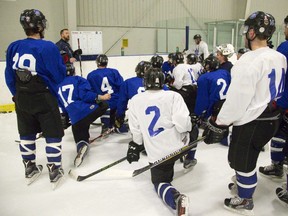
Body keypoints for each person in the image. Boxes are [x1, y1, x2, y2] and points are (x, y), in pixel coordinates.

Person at [202, 11, 287, 215]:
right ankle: (244, 185)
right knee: (252, 153)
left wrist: (219, 123)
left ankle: (245, 199)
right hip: (272, 118)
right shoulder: (279, 57)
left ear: (251, 33)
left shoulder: (248, 61)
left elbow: (237, 101)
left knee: (242, 160)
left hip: (252, 121)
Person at [5, 9, 67, 189]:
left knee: (26, 132)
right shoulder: (48, 47)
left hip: (22, 97)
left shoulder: (14, 46)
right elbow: (58, 75)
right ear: (40, 26)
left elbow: (9, 74)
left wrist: (17, 94)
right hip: (44, 96)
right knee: (53, 133)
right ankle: (54, 168)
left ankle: (30, 167)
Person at [126, 67, 193, 216]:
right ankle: (190, 158)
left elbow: (135, 131)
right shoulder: (173, 96)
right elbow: (183, 123)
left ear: (145, 82)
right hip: (179, 148)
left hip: (157, 154)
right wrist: (186, 132)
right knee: (191, 130)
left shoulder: (135, 100)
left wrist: (136, 145)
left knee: (160, 182)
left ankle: (175, 199)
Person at [258, 15, 288, 206]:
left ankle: (277, 166)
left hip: (284, 105)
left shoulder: (284, 48)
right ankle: (278, 166)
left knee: (279, 133)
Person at [57, 74, 110, 167]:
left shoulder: (57, 86)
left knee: (80, 133)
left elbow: (62, 107)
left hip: (75, 119)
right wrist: (101, 97)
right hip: (88, 111)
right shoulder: (77, 79)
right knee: (104, 104)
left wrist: (66, 118)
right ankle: (107, 125)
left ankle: (81, 145)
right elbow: (85, 95)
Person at [169, 52, 198, 169]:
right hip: (194, 91)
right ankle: (190, 151)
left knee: (181, 118)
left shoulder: (177, 68)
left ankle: (181, 143)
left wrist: (170, 85)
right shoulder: (188, 66)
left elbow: (178, 85)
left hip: (186, 93)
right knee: (191, 119)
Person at [87, 54, 124, 133]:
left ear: (97, 63)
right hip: (116, 101)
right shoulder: (114, 72)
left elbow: (90, 91)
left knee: (100, 103)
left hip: (103, 103)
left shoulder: (91, 75)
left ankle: (106, 124)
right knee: (118, 105)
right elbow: (121, 86)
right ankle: (118, 123)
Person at [115, 61, 152, 129]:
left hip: (136, 117)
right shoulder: (159, 84)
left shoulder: (128, 83)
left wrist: (120, 116)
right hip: (154, 115)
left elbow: (122, 102)